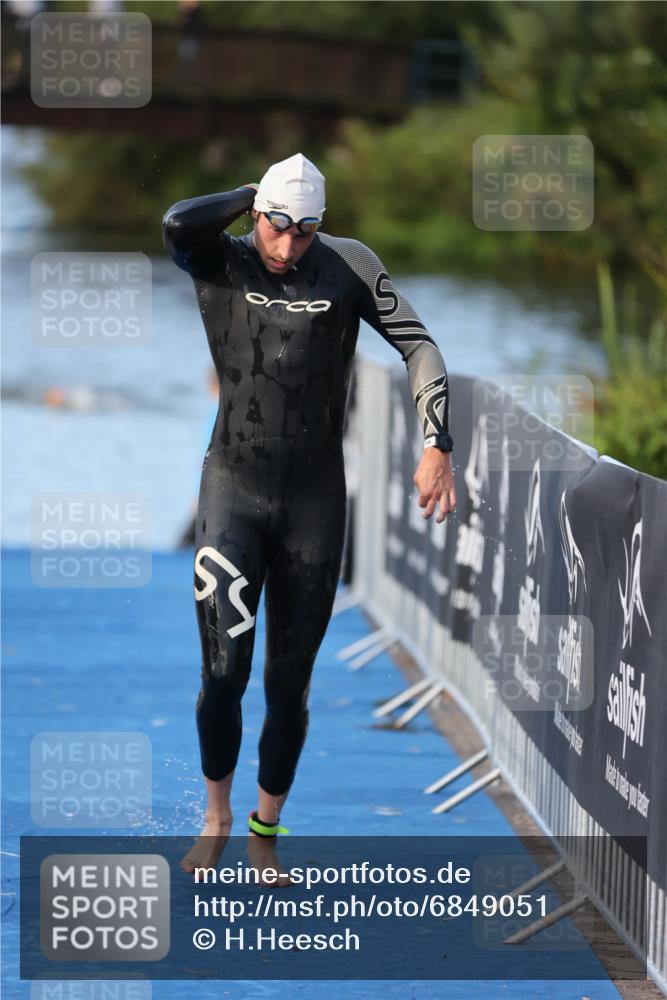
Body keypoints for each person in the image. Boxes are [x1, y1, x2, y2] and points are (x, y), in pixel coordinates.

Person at [163, 153, 456, 877]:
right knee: (223, 673)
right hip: (233, 487)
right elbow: (175, 219)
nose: (288, 246)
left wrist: (436, 442)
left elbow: (418, 345)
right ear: (255, 213)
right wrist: (249, 196)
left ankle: (266, 829)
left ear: (322, 227)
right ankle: (217, 815)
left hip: (314, 501)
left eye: (305, 232)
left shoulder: (347, 265)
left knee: (288, 682)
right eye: (276, 227)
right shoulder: (219, 258)